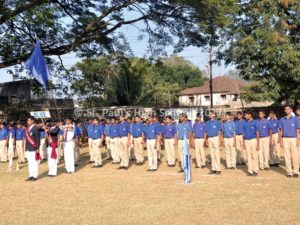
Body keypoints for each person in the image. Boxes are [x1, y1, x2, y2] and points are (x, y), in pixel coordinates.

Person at [279, 105, 300, 178]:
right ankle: (289, 172)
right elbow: (281, 130)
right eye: (285, 109)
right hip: (285, 139)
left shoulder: (296, 119)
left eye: (288, 109)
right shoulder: (282, 119)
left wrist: (298, 140)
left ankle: (296, 171)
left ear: (291, 110)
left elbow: (297, 130)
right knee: (286, 156)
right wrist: (281, 140)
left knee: (295, 156)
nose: (286, 110)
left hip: (293, 139)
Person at [242, 111, 259, 176]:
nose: (245, 116)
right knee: (248, 156)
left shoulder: (255, 122)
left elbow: (257, 133)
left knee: (254, 156)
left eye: (246, 115)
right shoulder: (244, 123)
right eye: (245, 115)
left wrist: (257, 144)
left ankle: (255, 170)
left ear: (250, 115)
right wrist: (243, 143)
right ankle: (250, 171)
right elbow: (243, 134)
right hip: (246, 140)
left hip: (253, 140)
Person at [205, 111, 222, 175]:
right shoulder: (207, 122)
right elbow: (206, 132)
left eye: (211, 114)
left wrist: (220, 140)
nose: (210, 115)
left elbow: (219, 131)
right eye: (209, 114)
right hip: (209, 138)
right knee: (212, 154)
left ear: (214, 115)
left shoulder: (217, 122)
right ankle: (213, 168)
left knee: (216, 153)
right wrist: (206, 140)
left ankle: (218, 169)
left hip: (215, 138)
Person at [25, 116, 40, 181]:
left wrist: (37, 148)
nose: (28, 122)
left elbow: (38, 139)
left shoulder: (36, 128)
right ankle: (30, 175)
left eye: (29, 120)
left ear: (33, 121)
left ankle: (35, 176)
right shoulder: (27, 128)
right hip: (28, 148)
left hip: (33, 148)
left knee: (34, 162)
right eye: (27, 120)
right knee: (30, 163)